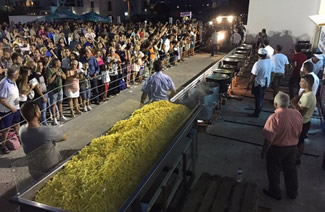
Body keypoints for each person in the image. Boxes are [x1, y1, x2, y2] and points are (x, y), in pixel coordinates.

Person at [262, 91, 303, 200]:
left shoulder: (274, 117)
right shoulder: (297, 113)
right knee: (291, 170)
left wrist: (264, 151)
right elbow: (299, 132)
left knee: (274, 170)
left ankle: (275, 192)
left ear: (275, 104)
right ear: (289, 103)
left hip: (277, 149)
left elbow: (268, 139)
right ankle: (292, 192)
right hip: (293, 148)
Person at [19, 101, 67, 180]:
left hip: (35, 170)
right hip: (51, 167)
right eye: (39, 110)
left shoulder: (21, 130)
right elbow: (64, 137)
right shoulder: (46, 131)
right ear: (37, 114)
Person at [291, 75, 317, 165]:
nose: (299, 83)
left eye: (301, 81)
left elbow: (302, 113)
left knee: (299, 142)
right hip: (303, 122)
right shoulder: (306, 93)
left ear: (307, 83)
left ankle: (296, 159)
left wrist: (294, 103)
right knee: (299, 141)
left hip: (302, 123)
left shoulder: (308, 97)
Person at [247, 48, 274, 117]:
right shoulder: (270, 61)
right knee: (261, 96)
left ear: (258, 55)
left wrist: (249, 83)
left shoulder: (258, 63)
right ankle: (259, 108)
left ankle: (256, 113)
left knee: (258, 98)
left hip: (259, 83)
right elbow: (272, 72)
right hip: (266, 82)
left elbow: (253, 75)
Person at [0, 66, 21, 154]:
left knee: (17, 125)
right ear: (14, 75)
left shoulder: (13, 81)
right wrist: (11, 108)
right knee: (6, 129)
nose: (19, 75)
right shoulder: (5, 83)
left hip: (16, 108)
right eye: (18, 73)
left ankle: (20, 139)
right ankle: (3, 146)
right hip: (7, 110)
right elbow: (2, 99)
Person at [46, 58, 67, 125]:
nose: (60, 63)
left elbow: (65, 77)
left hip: (60, 88)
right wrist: (55, 75)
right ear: (56, 64)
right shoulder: (49, 70)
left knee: (60, 102)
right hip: (53, 90)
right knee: (53, 104)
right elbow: (49, 81)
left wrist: (61, 74)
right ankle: (54, 118)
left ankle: (61, 115)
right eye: (59, 62)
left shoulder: (60, 69)